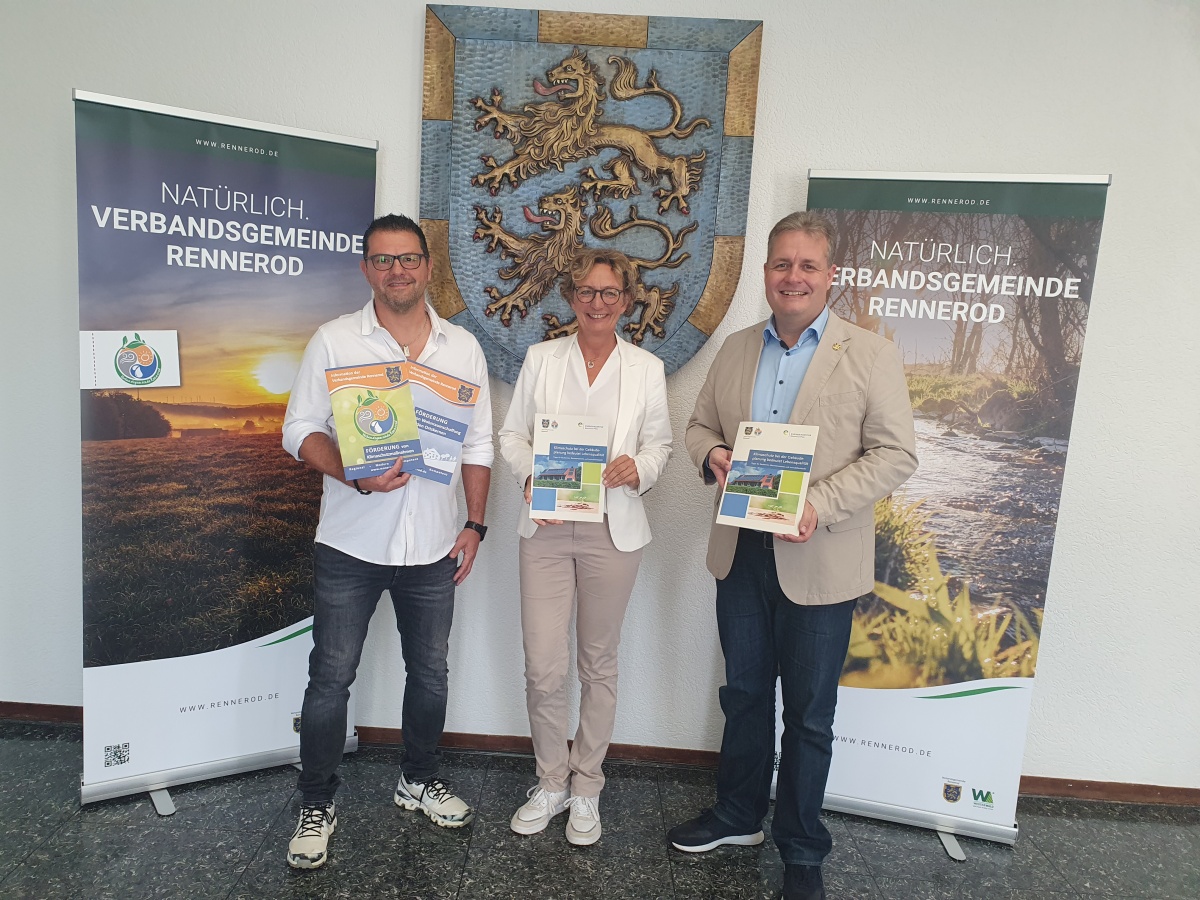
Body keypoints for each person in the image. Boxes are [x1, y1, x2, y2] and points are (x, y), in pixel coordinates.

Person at [668, 212, 917, 900]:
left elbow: (897, 454)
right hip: (742, 553)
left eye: (808, 265)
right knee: (744, 695)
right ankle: (739, 814)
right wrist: (711, 454)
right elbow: (698, 427)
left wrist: (820, 505)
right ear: (767, 273)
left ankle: (802, 850)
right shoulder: (739, 349)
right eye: (782, 264)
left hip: (820, 557)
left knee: (808, 714)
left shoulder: (869, 354)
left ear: (831, 276)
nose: (793, 277)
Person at [281, 213, 493, 869]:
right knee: (330, 680)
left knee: (430, 673)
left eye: (408, 259)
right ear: (366, 268)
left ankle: (417, 779)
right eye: (382, 259)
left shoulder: (462, 349)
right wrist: (352, 471)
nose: (396, 270)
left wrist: (475, 523)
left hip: (432, 544)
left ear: (428, 266)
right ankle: (316, 802)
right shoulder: (335, 340)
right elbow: (297, 430)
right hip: (350, 543)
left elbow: (479, 444)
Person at [498, 248, 672, 845]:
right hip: (545, 529)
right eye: (586, 292)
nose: (597, 303)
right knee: (545, 667)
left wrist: (638, 469)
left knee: (598, 664)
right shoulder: (542, 359)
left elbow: (661, 448)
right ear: (571, 298)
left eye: (609, 293)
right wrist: (527, 476)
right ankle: (549, 781)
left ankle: (586, 787)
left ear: (626, 301)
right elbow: (513, 434)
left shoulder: (646, 369)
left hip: (613, 533)